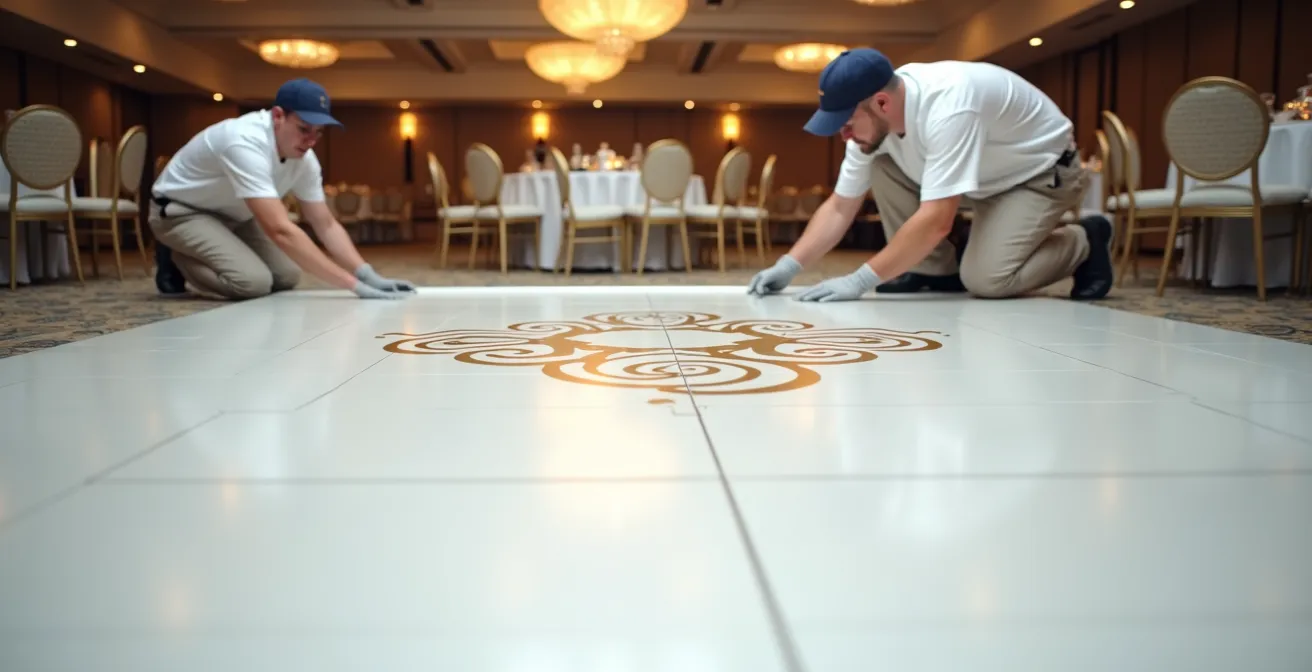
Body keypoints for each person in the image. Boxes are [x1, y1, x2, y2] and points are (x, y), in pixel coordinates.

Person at [747, 49, 1113, 302]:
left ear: (882, 103)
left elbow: (938, 219)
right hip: (983, 176)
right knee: (880, 162)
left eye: (845, 124)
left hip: (1038, 174)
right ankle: (934, 270)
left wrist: (860, 280)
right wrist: (788, 265)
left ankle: (1086, 242)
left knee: (987, 280)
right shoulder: (871, 127)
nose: (843, 136)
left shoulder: (950, 105)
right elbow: (842, 206)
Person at [150, 78, 415, 300]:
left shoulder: (304, 159)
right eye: (303, 129)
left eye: (319, 132)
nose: (311, 141)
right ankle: (174, 256)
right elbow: (280, 231)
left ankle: (209, 248)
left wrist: (367, 274)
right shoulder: (243, 141)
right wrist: (353, 287)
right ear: (278, 116)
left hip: (236, 215)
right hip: (182, 212)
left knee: (287, 276)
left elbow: (325, 224)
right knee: (252, 283)